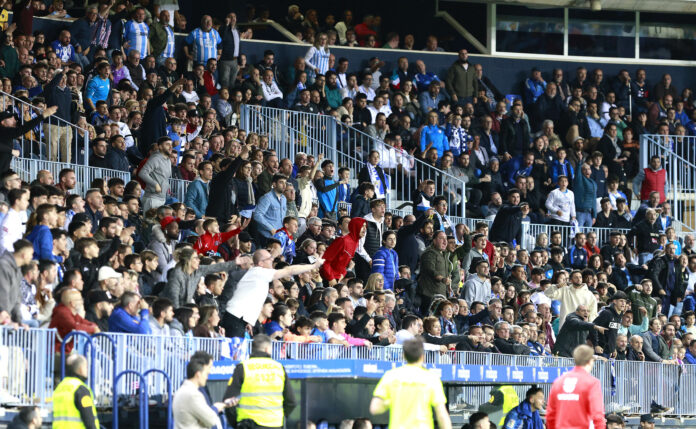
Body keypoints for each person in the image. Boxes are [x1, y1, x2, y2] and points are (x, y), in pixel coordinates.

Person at [222, 250, 323, 338]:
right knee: (235, 351)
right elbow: (289, 270)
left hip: (239, 317)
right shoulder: (260, 272)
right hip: (235, 317)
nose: (272, 260)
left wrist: (249, 320)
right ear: (261, 263)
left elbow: (249, 297)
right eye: (269, 259)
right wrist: (314, 265)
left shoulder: (257, 274)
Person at [369, 338, 452, 429]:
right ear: (422, 356)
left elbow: (374, 408)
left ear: (403, 355)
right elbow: (442, 415)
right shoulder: (431, 378)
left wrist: (391, 400)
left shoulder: (391, 375)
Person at [223, 334, 296, 428]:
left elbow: (228, 401)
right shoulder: (279, 368)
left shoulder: (243, 367)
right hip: (274, 424)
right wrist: (279, 418)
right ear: (267, 349)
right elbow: (291, 402)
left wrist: (236, 424)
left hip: (248, 425)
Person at [546, 344, 605, 429]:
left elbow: (550, 415)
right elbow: (597, 415)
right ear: (590, 361)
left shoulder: (558, 382)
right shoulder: (592, 383)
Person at [172, 350, 227, 429]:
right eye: (206, 373)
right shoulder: (193, 395)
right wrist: (216, 407)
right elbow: (211, 420)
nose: (207, 376)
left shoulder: (180, 391)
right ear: (198, 374)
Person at [0, 105, 58, 174]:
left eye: (14, 118)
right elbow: (23, 129)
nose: (14, 120)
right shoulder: (2, 130)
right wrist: (42, 116)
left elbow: (23, 127)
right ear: (2, 122)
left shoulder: (6, 133)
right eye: (10, 118)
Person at [52, 355, 99, 429]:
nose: (87, 370)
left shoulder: (59, 388)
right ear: (80, 369)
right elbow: (88, 419)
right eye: (86, 367)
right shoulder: (80, 389)